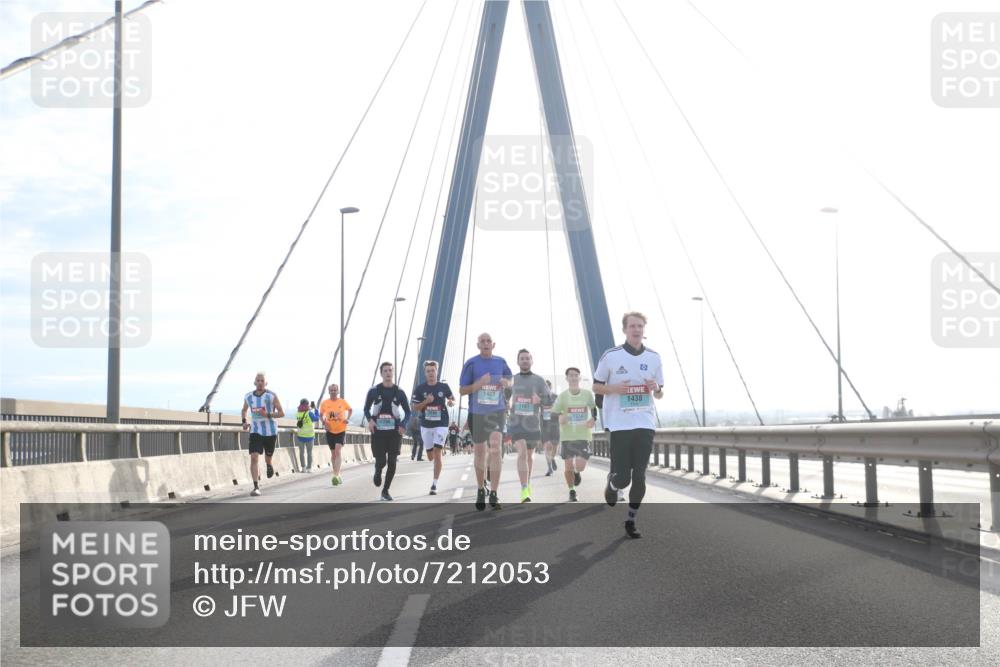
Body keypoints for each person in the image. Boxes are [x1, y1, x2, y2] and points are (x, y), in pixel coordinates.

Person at [593, 312, 665, 538]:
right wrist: (614, 389)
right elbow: (596, 387)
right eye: (632, 326)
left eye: (640, 326)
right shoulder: (611, 356)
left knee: (640, 476)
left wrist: (656, 388)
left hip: (645, 423)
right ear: (624, 330)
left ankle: (631, 521)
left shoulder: (654, 357)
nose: (636, 330)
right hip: (619, 424)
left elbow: (661, 393)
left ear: (644, 329)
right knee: (623, 477)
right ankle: (613, 486)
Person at [459, 332, 513, 511]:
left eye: (488, 341)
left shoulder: (501, 362)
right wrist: (478, 385)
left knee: (496, 449)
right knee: (480, 452)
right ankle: (481, 488)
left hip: (496, 412)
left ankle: (495, 493)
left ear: (493, 344)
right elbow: (462, 390)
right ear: (478, 345)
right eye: (482, 341)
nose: (486, 343)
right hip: (477, 413)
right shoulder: (471, 363)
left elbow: (510, 380)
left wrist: (506, 383)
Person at [363, 362, 410, 501]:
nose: (388, 373)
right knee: (381, 461)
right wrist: (370, 420)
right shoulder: (374, 391)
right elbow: (366, 408)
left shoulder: (400, 392)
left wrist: (403, 424)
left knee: (392, 461)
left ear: (393, 373)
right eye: (385, 371)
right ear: (381, 373)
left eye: (390, 370)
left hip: (394, 432)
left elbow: (408, 412)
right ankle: (378, 471)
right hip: (378, 432)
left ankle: (385, 490)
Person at [508, 349, 549, 502]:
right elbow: (503, 397)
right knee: (522, 453)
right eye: (522, 358)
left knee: (530, 456)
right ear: (518, 362)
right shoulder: (511, 379)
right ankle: (524, 488)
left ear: (532, 361)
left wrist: (540, 400)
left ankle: (527, 482)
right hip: (516, 423)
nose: (525, 361)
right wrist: (507, 402)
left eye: (527, 358)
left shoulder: (539, 380)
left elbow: (549, 401)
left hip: (533, 424)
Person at [551, 367, 597, 502]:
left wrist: (593, 419)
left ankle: (577, 473)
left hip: (583, 435)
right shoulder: (563, 396)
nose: (573, 377)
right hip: (567, 436)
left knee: (580, 465)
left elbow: (594, 409)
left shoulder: (587, 394)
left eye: (576, 375)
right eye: (571, 375)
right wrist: (560, 417)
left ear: (579, 377)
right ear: (567, 378)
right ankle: (572, 491)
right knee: (568, 466)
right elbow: (554, 413)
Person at [412, 360, 456, 495]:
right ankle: (432, 456)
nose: (431, 373)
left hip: (441, 423)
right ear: (425, 373)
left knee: (437, 453)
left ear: (437, 371)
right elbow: (415, 407)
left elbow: (452, 399)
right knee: (430, 456)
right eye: (428, 371)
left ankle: (434, 484)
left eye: (433, 371)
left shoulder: (444, 387)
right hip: (426, 424)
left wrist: (450, 402)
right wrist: (426, 401)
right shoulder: (420, 389)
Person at [240, 372, 285, 497]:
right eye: (258, 380)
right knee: (254, 457)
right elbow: (244, 410)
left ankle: (269, 464)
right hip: (255, 430)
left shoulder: (271, 395)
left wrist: (268, 415)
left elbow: (282, 413)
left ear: (266, 383)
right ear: (254, 382)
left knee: (268, 456)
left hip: (270, 431)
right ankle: (255, 487)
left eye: (262, 381)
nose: (260, 383)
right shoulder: (248, 396)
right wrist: (244, 422)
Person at [320, 384, 352, 486]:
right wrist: (324, 422)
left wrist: (347, 418)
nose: (333, 392)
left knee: (338, 450)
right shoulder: (325, 403)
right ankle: (336, 474)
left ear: (337, 391)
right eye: (331, 390)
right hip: (330, 431)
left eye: (335, 390)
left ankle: (336, 475)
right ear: (329, 392)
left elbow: (350, 409)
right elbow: (321, 415)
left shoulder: (342, 402)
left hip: (341, 430)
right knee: (333, 454)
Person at [540, 380, 560, 476]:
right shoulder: (539, 398)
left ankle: (552, 458)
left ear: (550, 387)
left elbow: (561, 409)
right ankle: (549, 468)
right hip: (544, 425)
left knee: (555, 445)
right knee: (547, 447)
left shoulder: (556, 397)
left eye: (547, 387)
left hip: (555, 424)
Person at [295, 398, 316, 473]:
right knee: (309, 453)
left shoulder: (298, 413)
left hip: (300, 435)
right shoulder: (309, 413)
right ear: (307, 404)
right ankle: (309, 468)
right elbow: (316, 419)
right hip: (309, 436)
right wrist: (315, 410)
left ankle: (303, 468)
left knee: (301, 453)